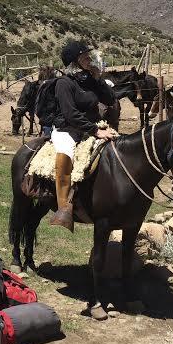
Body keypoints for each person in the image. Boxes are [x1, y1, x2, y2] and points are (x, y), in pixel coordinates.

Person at [49, 41, 118, 231]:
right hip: (67, 130)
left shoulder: (88, 79)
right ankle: (64, 208)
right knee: (65, 156)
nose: (90, 60)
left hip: (92, 127)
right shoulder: (63, 83)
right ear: (75, 62)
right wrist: (96, 131)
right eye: (85, 58)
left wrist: (99, 80)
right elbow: (71, 114)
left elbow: (110, 100)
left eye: (89, 57)